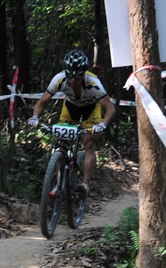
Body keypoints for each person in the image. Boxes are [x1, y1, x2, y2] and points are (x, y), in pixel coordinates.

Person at [27, 50, 115, 195]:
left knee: (89, 144)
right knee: (61, 143)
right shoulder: (59, 79)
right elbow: (41, 102)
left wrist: (102, 124)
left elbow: (110, 108)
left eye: (78, 76)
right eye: (70, 75)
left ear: (84, 74)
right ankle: (59, 180)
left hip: (91, 108)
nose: (73, 80)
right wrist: (35, 117)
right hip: (71, 107)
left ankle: (85, 184)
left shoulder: (93, 83)